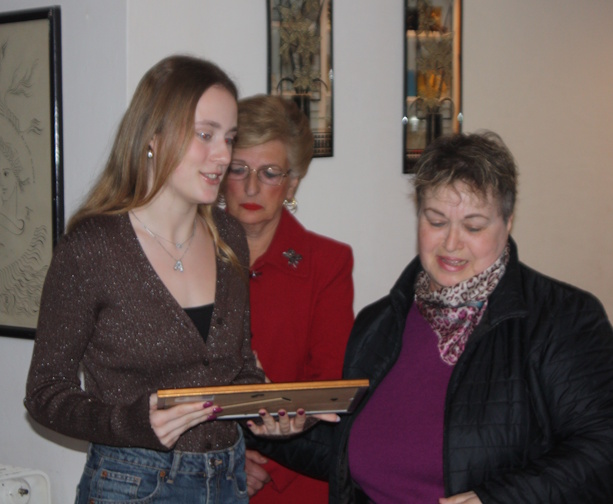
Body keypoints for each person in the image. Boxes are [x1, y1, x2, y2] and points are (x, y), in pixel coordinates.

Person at [248, 131, 613, 503]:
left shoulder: (563, 318)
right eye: (436, 221)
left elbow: (602, 448)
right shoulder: (379, 323)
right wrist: (278, 427)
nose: (451, 243)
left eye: (473, 226)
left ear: (508, 223)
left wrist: (497, 498)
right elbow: (348, 455)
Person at [24, 55, 268, 503]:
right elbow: (44, 393)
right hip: (133, 482)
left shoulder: (229, 238)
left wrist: (268, 410)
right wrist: (130, 423)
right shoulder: (92, 248)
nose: (223, 156)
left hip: (228, 478)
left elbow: (239, 369)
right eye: (205, 135)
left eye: (229, 138)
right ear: (153, 138)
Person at [222, 94, 355, 502]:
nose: (251, 186)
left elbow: (329, 385)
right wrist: (228, 457)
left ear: (292, 182)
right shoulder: (183, 257)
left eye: (269, 173)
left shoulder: (327, 263)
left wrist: (270, 454)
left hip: (295, 481)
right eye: (238, 169)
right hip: (203, 475)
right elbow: (167, 378)